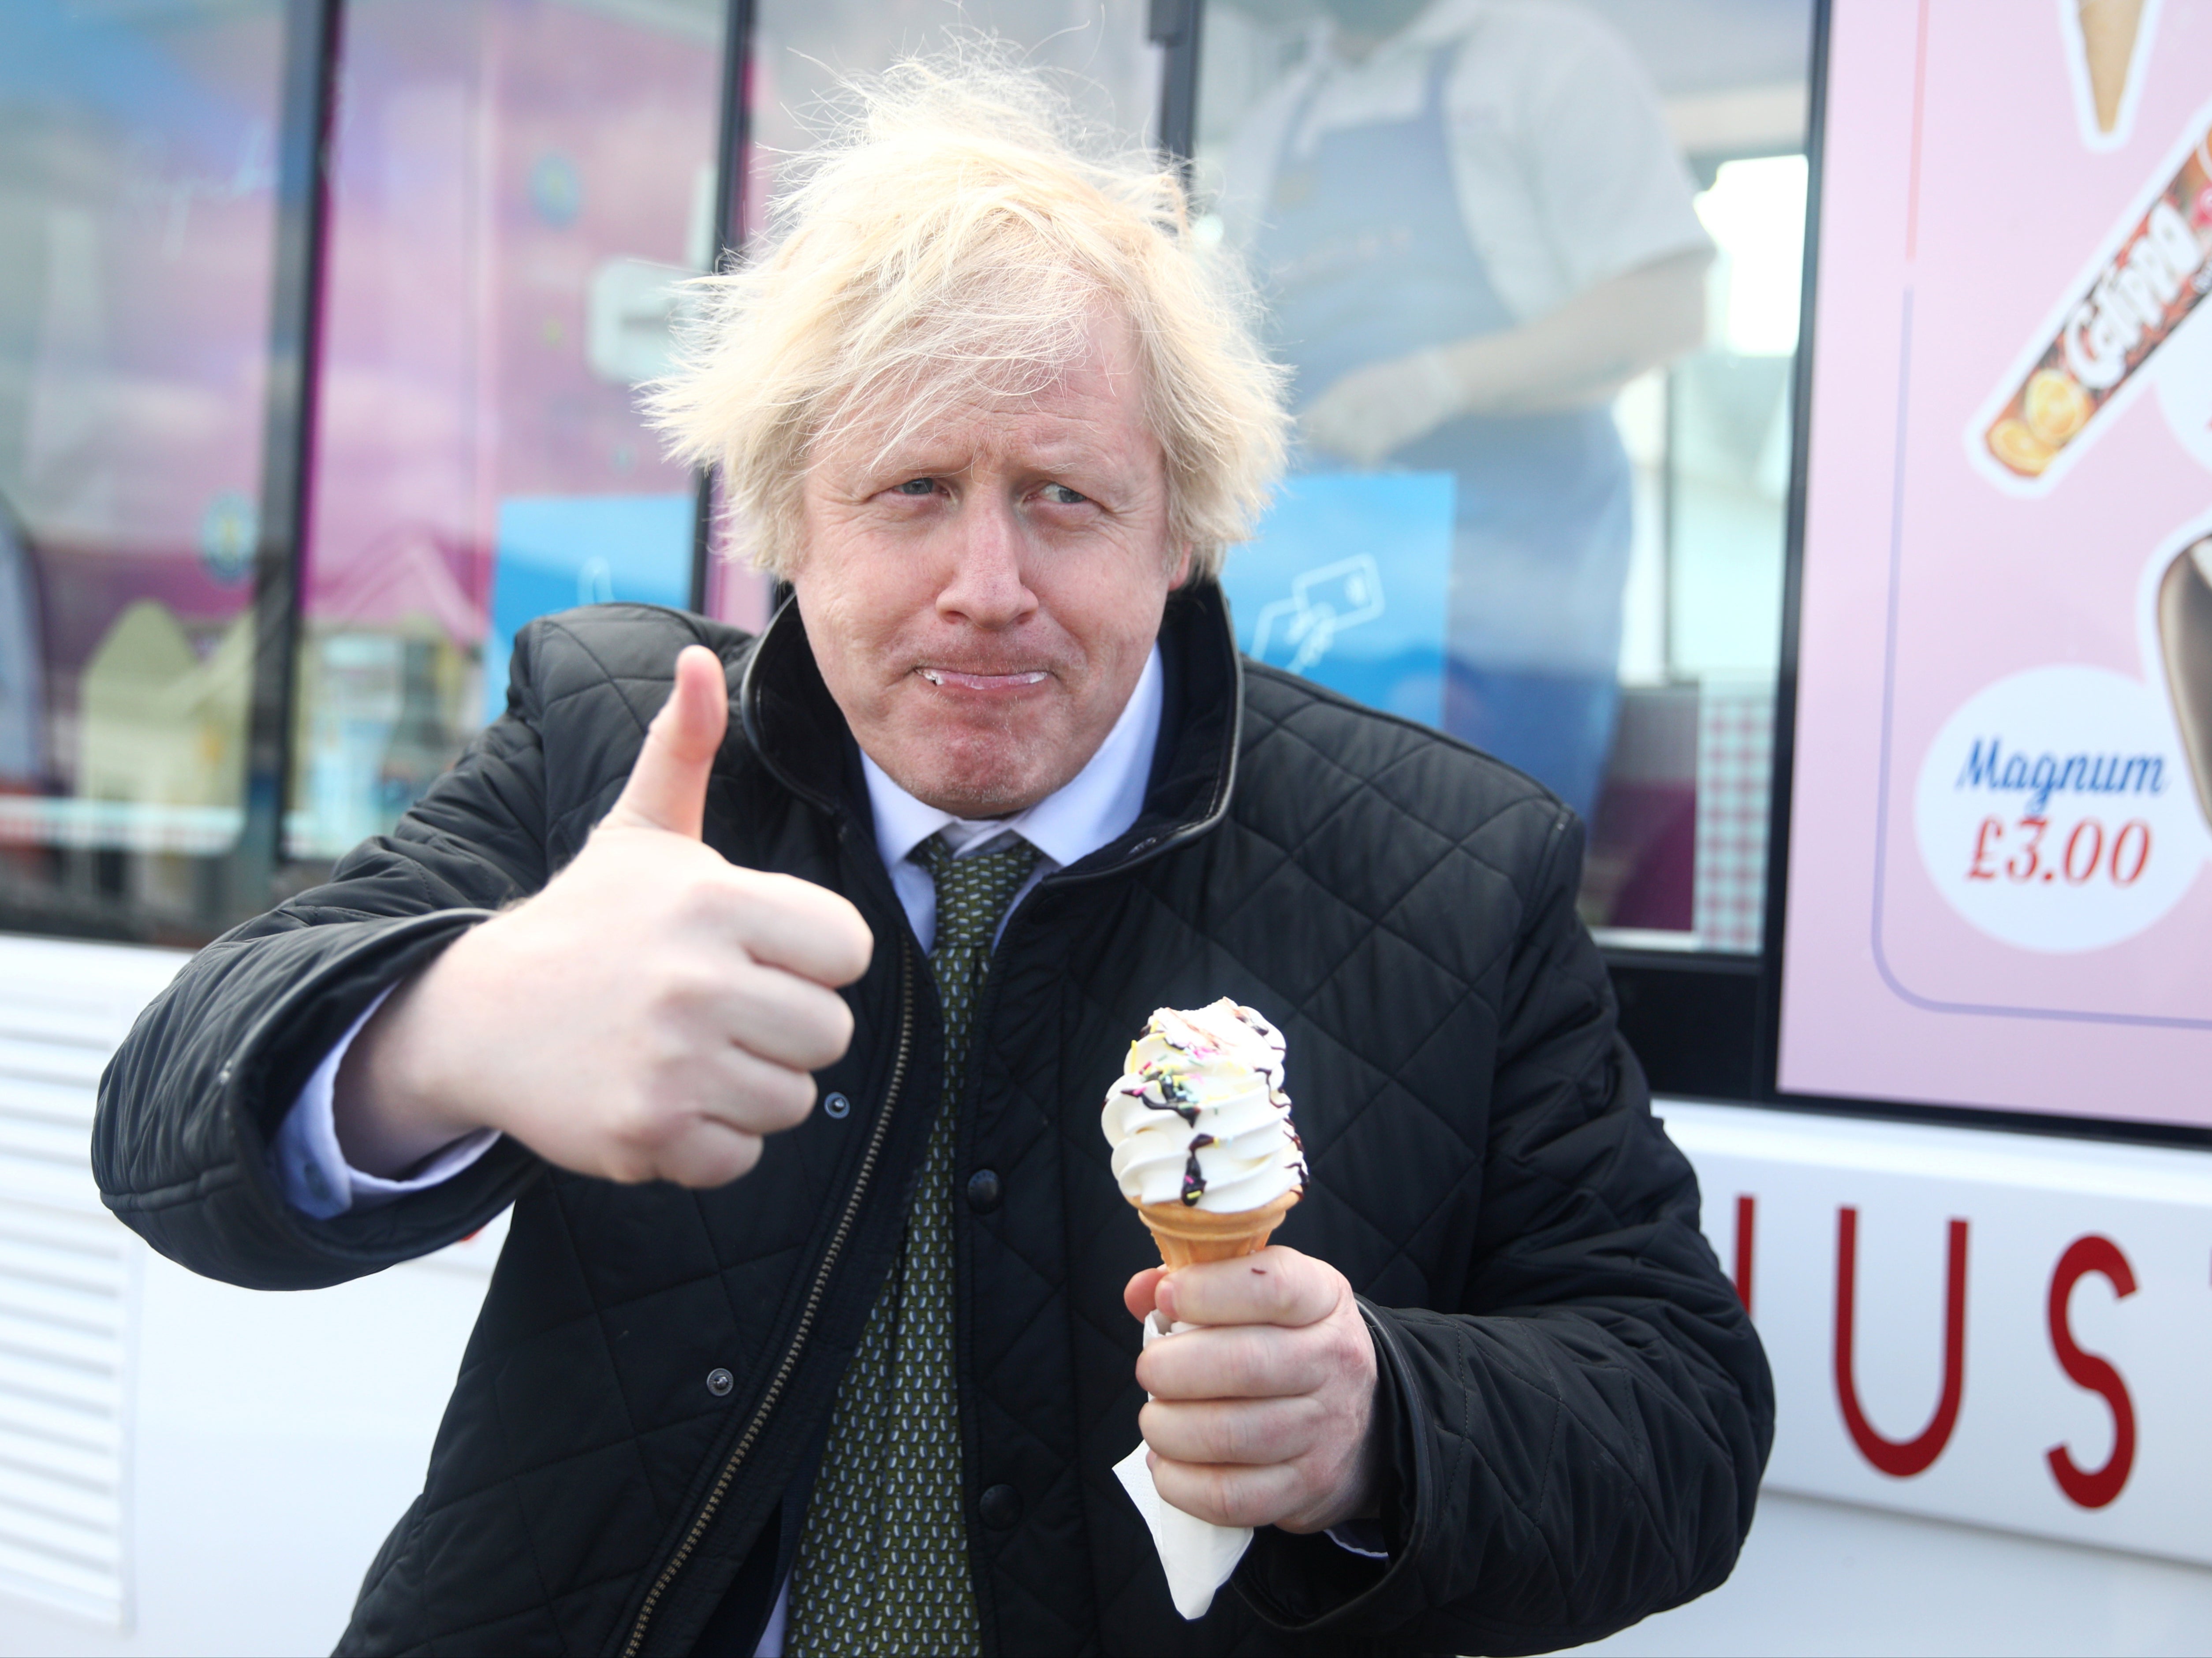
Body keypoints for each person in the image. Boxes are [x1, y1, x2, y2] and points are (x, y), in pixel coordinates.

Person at [94, 58, 1770, 1658]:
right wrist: (451, 1021)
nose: (985, 581)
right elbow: (167, 1125)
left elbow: (1680, 1413)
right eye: (908, 490)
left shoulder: (1454, 871)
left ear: (1179, 523)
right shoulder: (613, 748)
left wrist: (1378, 1423)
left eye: (1060, 497)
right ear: (781, 515)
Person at [1212, 0, 1712, 819]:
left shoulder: (1548, 62)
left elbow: (1666, 308)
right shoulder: (1275, 124)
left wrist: (1438, 380)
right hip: (1317, 569)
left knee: (1481, 862)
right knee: (1292, 859)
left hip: (1510, 587)